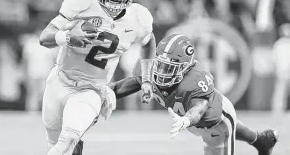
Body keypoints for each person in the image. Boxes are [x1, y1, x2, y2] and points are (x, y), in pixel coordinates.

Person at [39, 0, 156, 155]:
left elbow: (149, 41)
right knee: (59, 144)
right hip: (59, 82)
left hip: (92, 90)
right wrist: (67, 37)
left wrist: (146, 78)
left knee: (67, 141)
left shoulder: (139, 18)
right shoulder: (82, 3)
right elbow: (45, 37)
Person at [111, 34, 278, 155]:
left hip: (214, 122)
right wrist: (100, 94)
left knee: (216, 137)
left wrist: (186, 120)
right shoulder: (148, 70)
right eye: (160, 65)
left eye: (169, 68)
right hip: (189, 120)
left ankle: (261, 141)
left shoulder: (194, 80)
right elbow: (124, 87)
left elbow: (200, 109)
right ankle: (262, 141)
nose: (161, 72)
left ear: (185, 68)